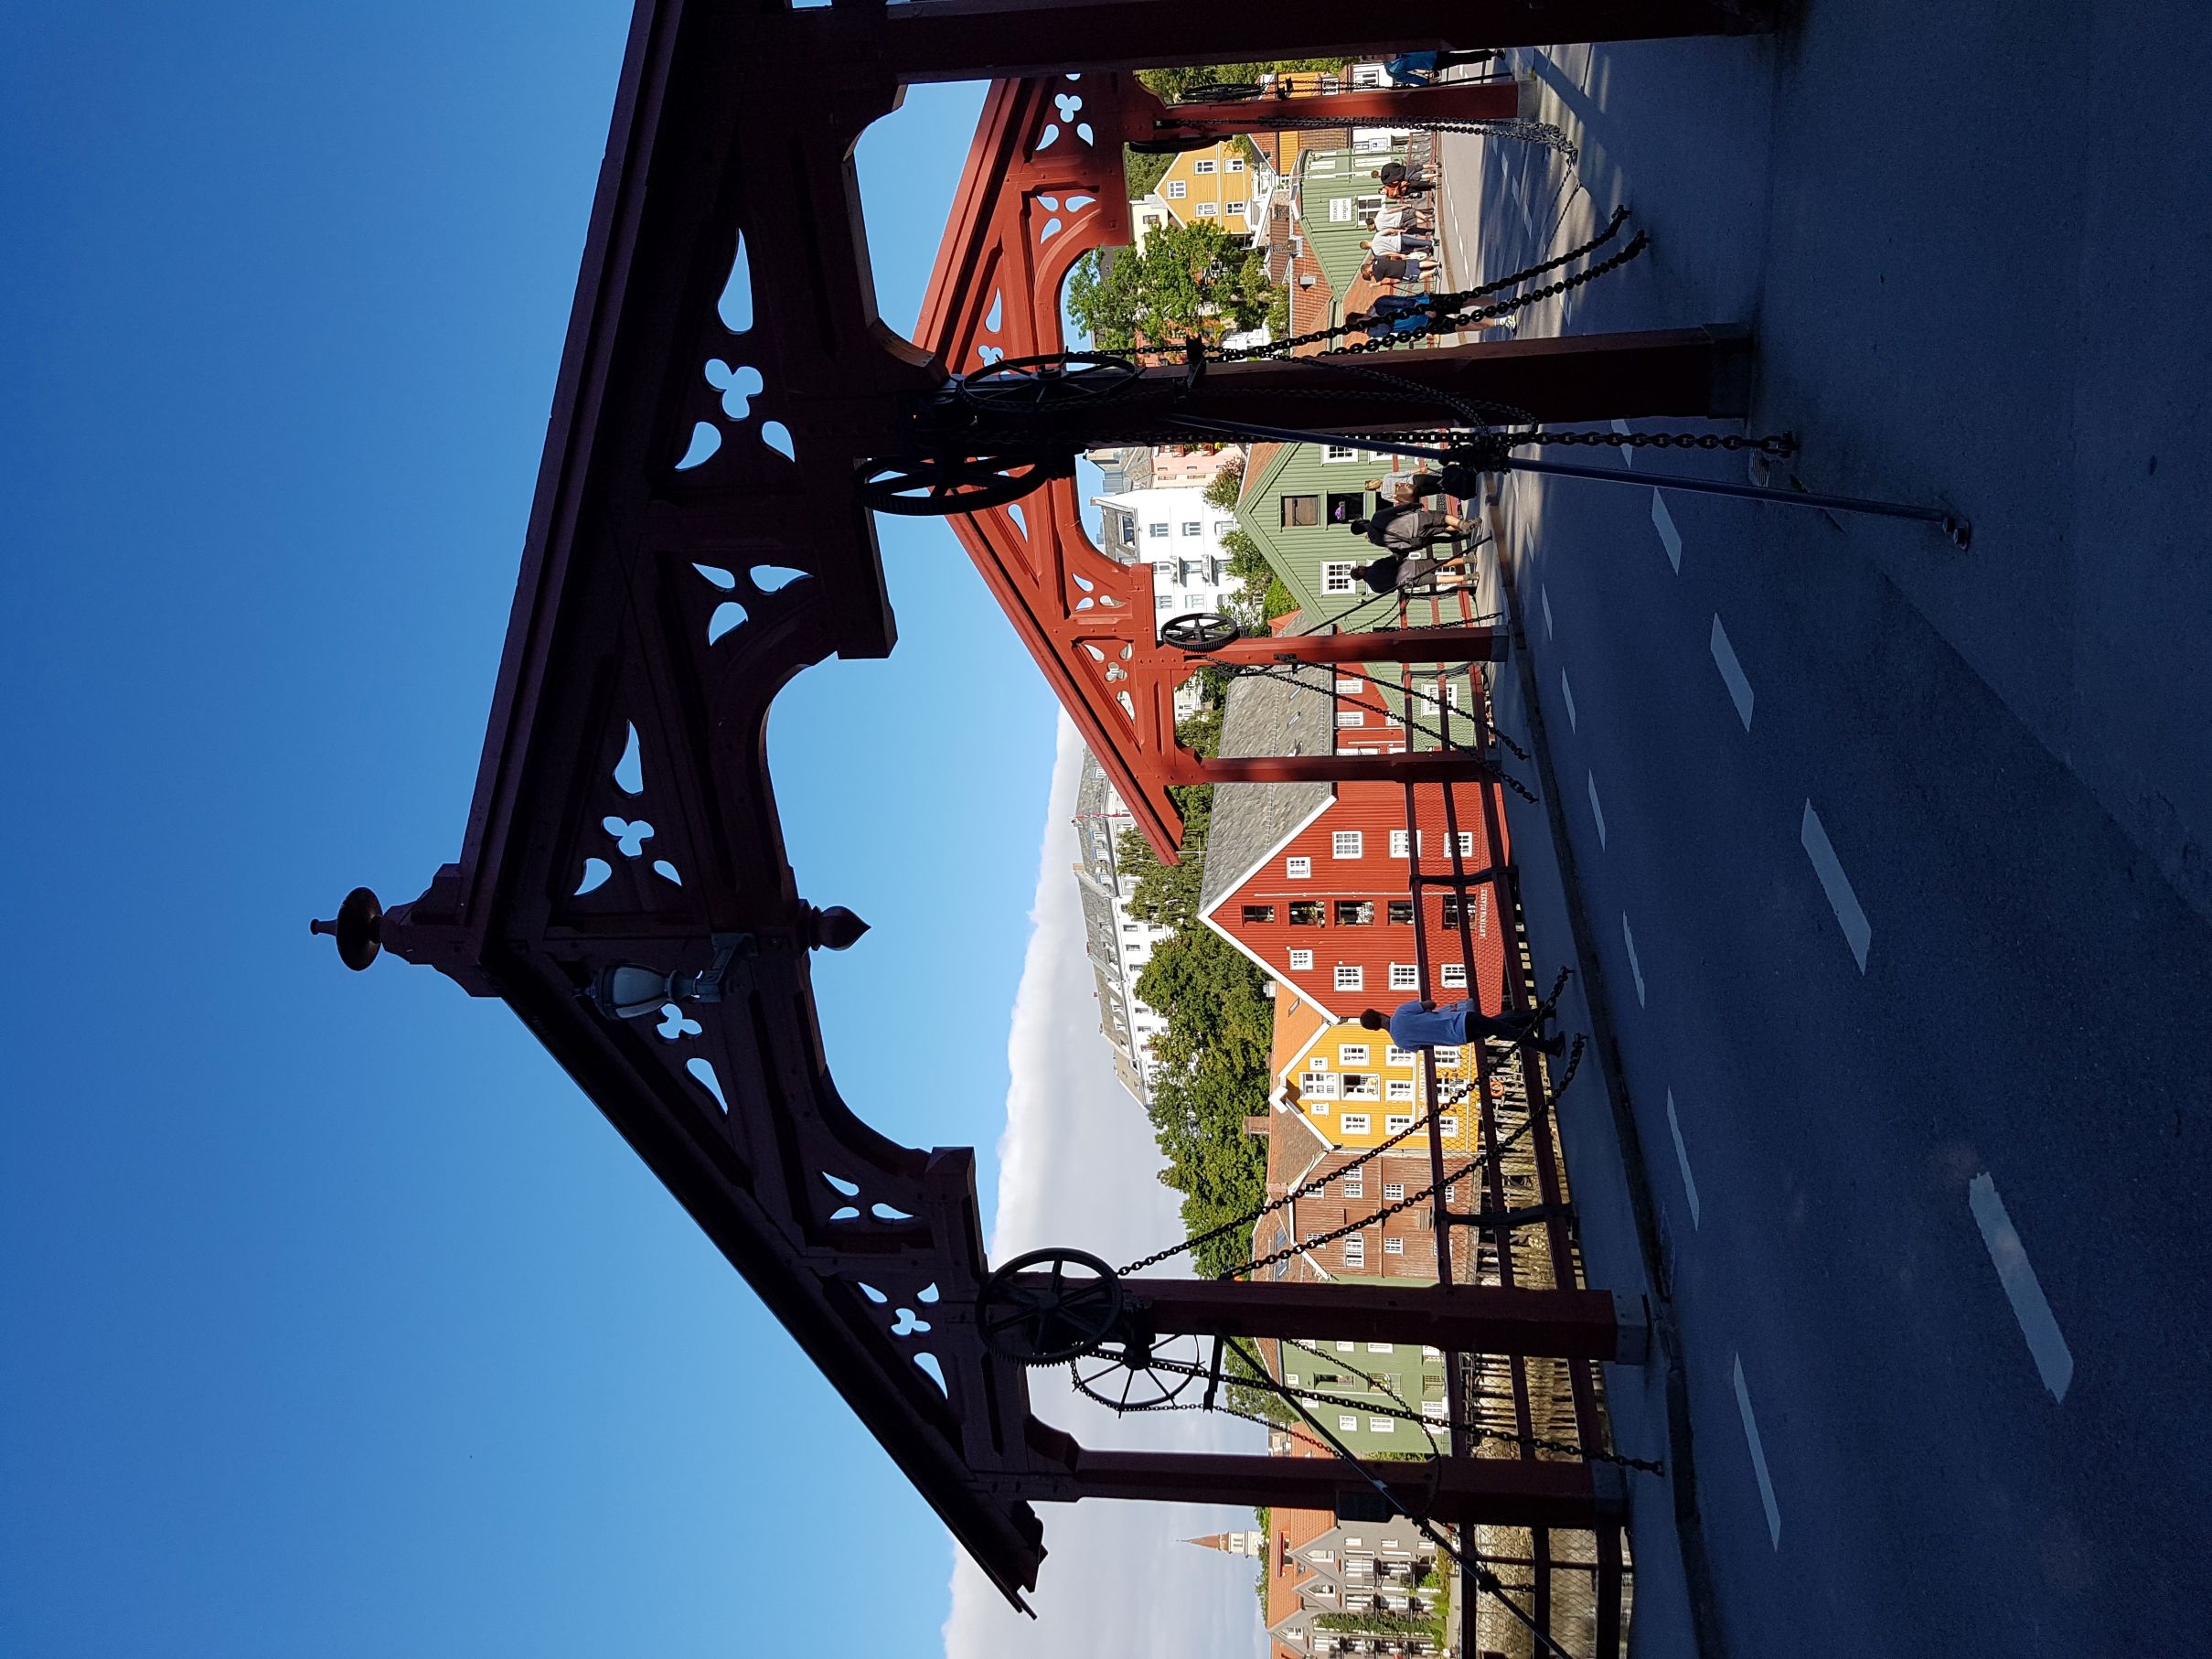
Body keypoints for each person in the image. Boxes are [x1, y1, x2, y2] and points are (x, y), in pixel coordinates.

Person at [1362, 999, 1564, 1057]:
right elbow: (1430, 1004)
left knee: (1500, 1025)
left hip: (1458, 1038)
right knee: (1506, 1030)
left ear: (1375, 1029)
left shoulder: (1400, 1042)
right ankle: (1549, 1047)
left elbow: (1428, 1048)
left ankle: (1539, 1014)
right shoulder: (1401, 1011)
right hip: (1460, 1019)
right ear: (1379, 1014)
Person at [1362, 230, 1436, 258]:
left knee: (1414, 249)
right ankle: (1431, 243)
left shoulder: (1376, 252)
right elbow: (1389, 230)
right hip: (1398, 239)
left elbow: (1389, 253)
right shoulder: (1377, 236)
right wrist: (1397, 231)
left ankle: (1427, 250)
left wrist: (1399, 255)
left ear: (1366, 248)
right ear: (1366, 241)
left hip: (1398, 248)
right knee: (1415, 241)